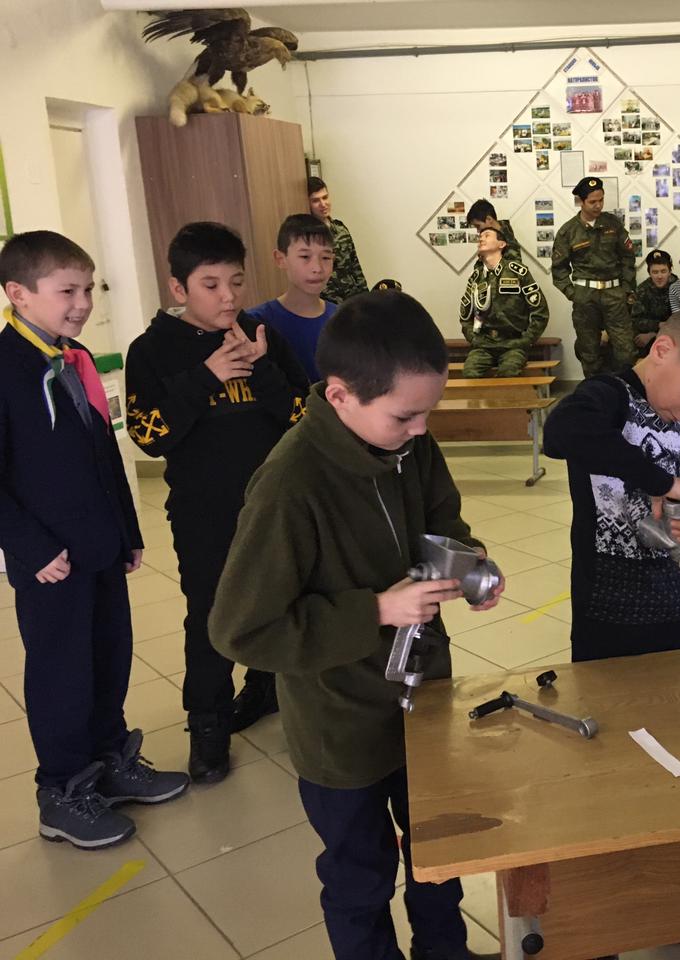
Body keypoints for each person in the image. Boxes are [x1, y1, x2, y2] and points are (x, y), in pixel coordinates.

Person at [209, 291, 502, 960]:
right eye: (406, 415)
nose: (421, 430)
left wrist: (468, 562)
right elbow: (241, 631)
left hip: (422, 701)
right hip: (339, 726)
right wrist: (376, 610)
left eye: (428, 412)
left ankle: (445, 952)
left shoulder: (407, 441)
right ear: (340, 396)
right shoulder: (289, 485)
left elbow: (443, 518)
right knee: (359, 875)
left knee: (438, 852)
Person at [1, 231, 188, 849]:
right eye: (67, 291)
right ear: (18, 294)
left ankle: (110, 761)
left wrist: (127, 530)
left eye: (87, 289)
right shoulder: (6, 367)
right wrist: (32, 549)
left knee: (109, 656)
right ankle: (61, 790)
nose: (82, 303)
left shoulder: (75, 357)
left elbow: (106, 453)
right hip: (49, 560)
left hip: (99, 544)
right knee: (61, 674)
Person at [126, 222, 310, 783]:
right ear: (178, 288)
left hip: (274, 506)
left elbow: (304, 416)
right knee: (211, 613)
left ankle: (267, 686)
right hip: (203, 511)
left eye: (235, 281)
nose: (227, 297)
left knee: (280, 599)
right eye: (210, 285)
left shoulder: (260, 335)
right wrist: (206, 377)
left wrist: (262, 368)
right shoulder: (152, 350)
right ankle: (207, 723)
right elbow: (149, 436)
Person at [543, 297, 680, 662]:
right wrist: (662, 482)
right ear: (662, 350)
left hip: (674, 613)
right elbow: (561, 432)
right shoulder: (610, 396)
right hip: (606, 615)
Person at [551, 176, 637, 377]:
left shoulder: (613, 224)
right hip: (585, 297)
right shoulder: (568, 231)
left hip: (614, 294)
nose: (598, 205)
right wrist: (573, 293)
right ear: (581, 202)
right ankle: (594, 390)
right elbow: (559, 269)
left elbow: (628, 257)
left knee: (625, 349)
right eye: (592, 202)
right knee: (588, 350)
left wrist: (626, 289)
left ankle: (625, 390)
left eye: (601, 200)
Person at [246, 213, 337, 383]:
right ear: (280, 259)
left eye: (325, 257)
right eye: (305, 257)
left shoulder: (343, 318)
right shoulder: (257, 323)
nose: (317, 268)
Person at [458, 225, 548, 377]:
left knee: (509, 373)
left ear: (501, 244)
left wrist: (526, 340)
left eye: (487, 235)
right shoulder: (476, 277)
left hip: (513, 344)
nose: (481, 239)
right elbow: (465, 315)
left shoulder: (517, 272)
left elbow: (540, 311)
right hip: (484, 344)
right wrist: (473, 338)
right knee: (469, 374)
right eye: (480, 236)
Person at [308, 176, 369, 303]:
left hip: (352, 299)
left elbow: (355, 265)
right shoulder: (307, 237)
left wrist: (366, 298)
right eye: (315, 200)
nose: (323, 204)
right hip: (328, 302)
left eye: (325, 197)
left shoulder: (341, 229)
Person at [631, 248, 674, 355]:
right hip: (648, 335)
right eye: (655, 272)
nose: (659, 276)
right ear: (649, 273)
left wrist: (654, 334)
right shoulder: (642, 290)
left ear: (670, 272)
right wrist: (658, 325)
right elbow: (636, 320)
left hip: (673, 336)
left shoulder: (678, 288)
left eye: (663, 271)